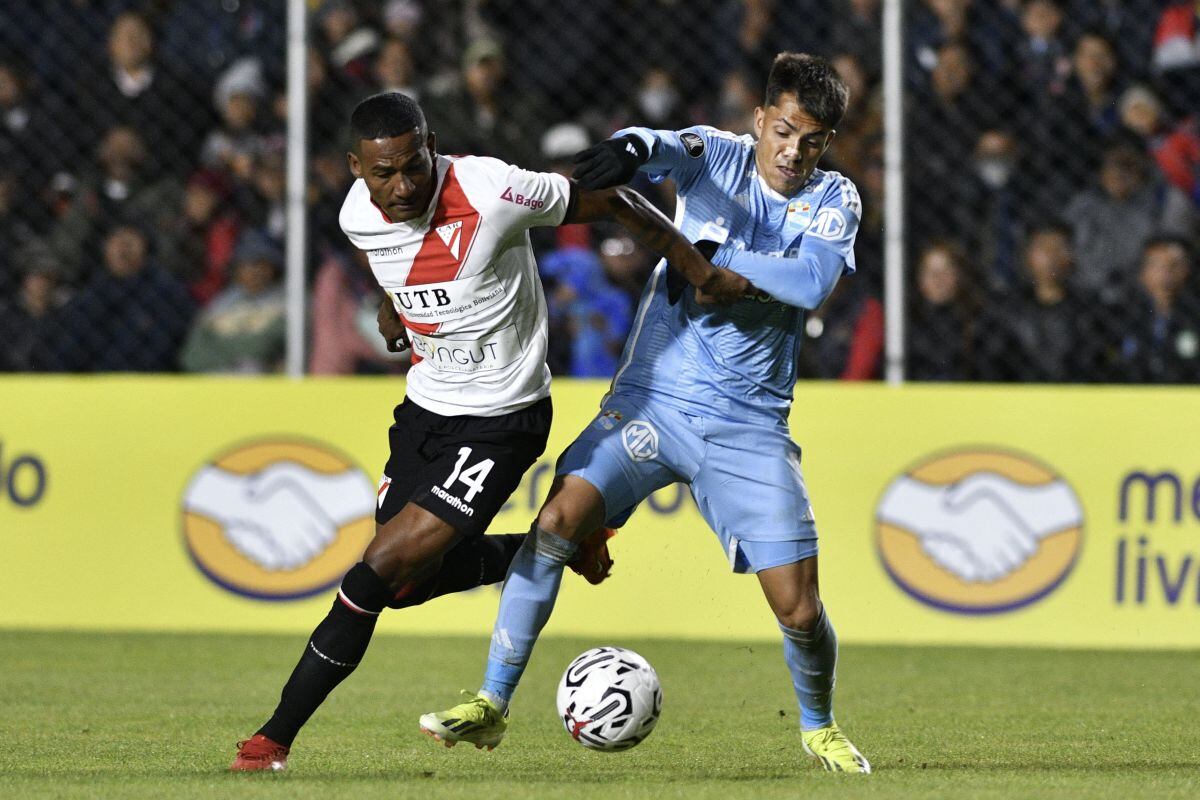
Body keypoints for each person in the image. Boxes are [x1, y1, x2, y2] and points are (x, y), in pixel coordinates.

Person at [230, 91, 745, 772]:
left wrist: (700, 271)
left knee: (376, 572)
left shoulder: (493, 188)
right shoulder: (359, 215)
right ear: (356, 167)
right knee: (408, 585)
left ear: (432, 145)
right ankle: (556, 545)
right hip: (425, 411)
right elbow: (398, 261)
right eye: (384, 173)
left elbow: (618, 204)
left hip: (503, 419)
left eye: (415, 166)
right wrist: (393, 309)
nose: (404, 185)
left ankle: (271, 740)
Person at [421, 53, 871, 774]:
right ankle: (491, 702)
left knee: (799, 610)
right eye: (784, 130)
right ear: (760, 119)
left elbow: (812, 279)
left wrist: (717, 261)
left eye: (812, 140)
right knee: (557, 522)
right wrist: (628, 148)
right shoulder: (718, 156)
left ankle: (818, 726)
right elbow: (663, 145)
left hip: (746, 426)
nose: (793, 151)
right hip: (652, 403)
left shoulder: (834, 199)